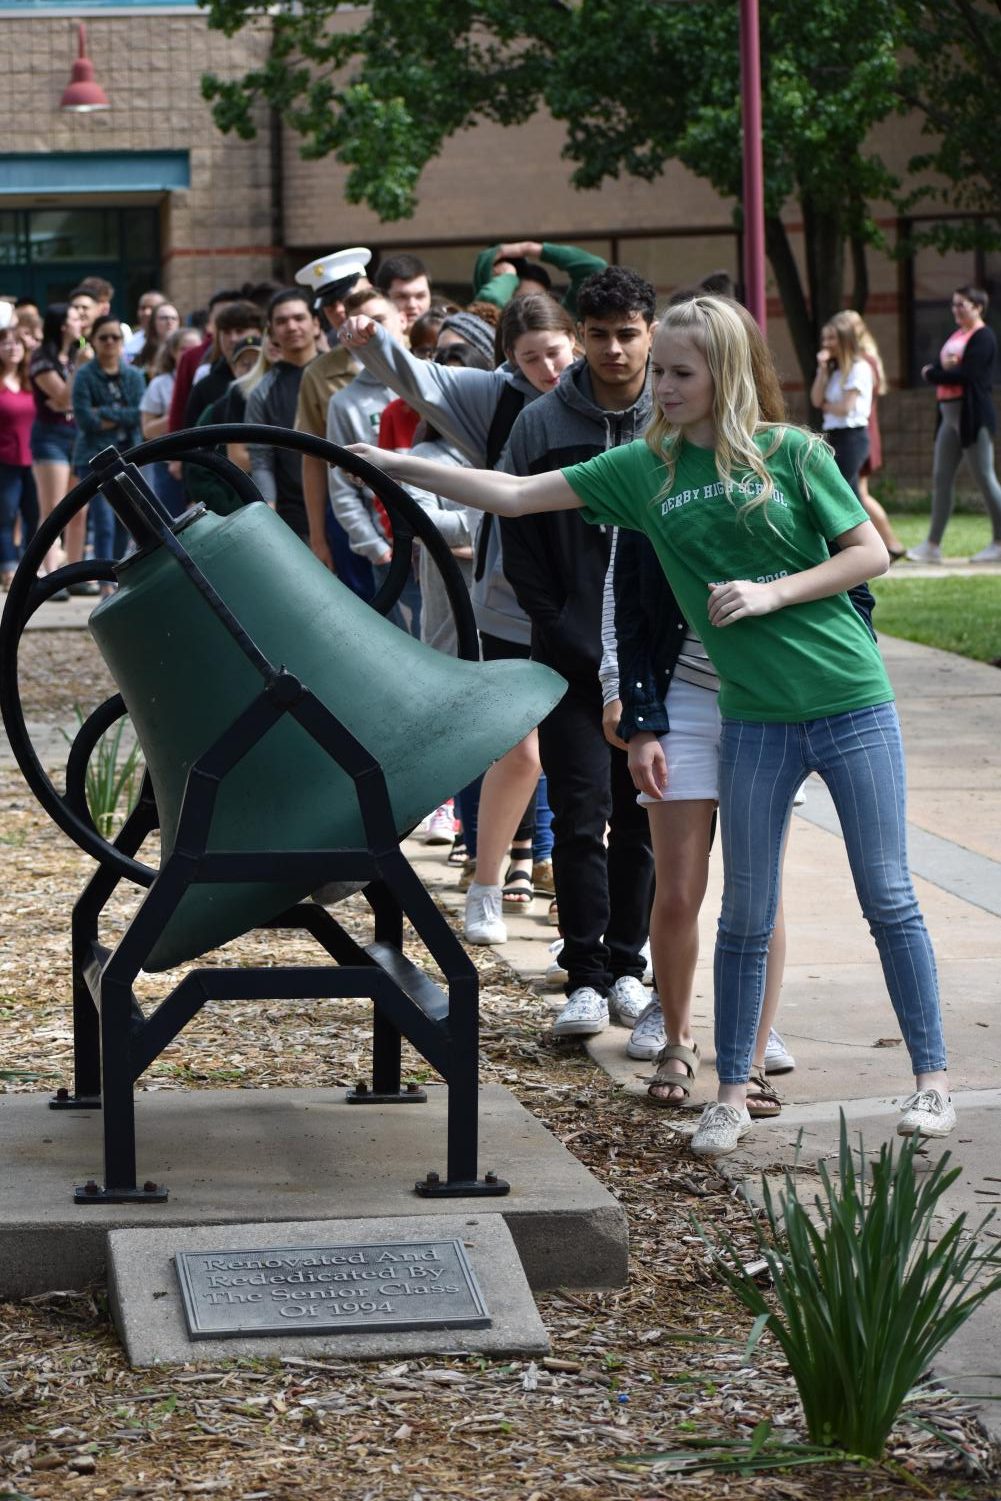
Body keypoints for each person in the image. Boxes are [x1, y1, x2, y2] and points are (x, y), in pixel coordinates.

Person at [346, 293, 954, 1158]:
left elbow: (868, 552)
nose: (658, 386)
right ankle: (730, 1095)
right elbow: (515, 496)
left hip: (849, 701)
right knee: (739, 911)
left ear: (725, 373)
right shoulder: (645, 469)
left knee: (886, 896)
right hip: (751, 720)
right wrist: (394, 464)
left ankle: (930, 1081)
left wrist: (771, 592)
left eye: (678, 372)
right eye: (657, 370)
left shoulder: (793, 453)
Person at [339, 291, 579, 942]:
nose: (545, 370)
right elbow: (425, 380)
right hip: (508, 598)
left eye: (554, 353)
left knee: (585, 758)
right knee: (520, 749)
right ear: (509, 359)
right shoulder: (494, 398)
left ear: (574, 341)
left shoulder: (605, 396)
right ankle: (486, 882)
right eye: (529, 358)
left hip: (589, 601)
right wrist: (372, 340)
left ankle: (580, 913)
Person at [489, 265, 657, 1035]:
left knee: (642, 818)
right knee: (580, 813)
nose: (614, 350)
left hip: (656, 660)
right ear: (580, 336)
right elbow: (517, 540)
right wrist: (555, 623)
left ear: (649, 331)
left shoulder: (674, 414)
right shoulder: (540, 424)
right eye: (599, 336)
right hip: (568, 655)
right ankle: (584, 974)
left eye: (627, 334)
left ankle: (631, 963)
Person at [293, 247, 372, 595]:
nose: (340, 310)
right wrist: (318, 536)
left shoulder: (409, 355)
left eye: (348, 297)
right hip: (348, 508)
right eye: (330, 304)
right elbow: (311, 458)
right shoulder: (319, 373)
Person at [908, 284, 1001, 565]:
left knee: (985, 477)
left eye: (963, 304)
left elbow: (968, 374)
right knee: (941, 478)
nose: (956, 309)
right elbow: (946, 368)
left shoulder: (983, 336)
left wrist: (936, 373)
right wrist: (942, 371)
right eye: (954, 304)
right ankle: (932, 545)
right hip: (949, 418)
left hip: (972, 416)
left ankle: (999, 541)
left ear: (978, 307)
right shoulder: (957, 336)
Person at [71, 313, 145, 591]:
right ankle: (104, 583)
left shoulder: (135, 375)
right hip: (94, 457)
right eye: (104, 337)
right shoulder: (85, 376)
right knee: (102, 521)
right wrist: (117, 416)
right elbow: (85, 421)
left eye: (116, 337)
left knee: (128, 521)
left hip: (130, 454)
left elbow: (139, 414)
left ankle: (119, 575)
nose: (111, 342)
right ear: (94, 341)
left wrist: (102, 412)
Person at [245, 288, 320, 539]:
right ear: (272, 331)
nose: (291, 326)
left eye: (299, 318)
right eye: (281, 321)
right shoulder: (262, 392)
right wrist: (269, 514)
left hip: (350, 506)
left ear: (316, 323)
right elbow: (261, 459)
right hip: (294, 517)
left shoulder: (339, 377)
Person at [28, 302, 88, 590]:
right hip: (51, 437)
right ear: (63, 325)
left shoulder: (78, 354)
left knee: (79, 509)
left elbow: (72, 399)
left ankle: (76, 576)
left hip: (78, 436)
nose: (81, 323)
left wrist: (68, 396)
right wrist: (79, 372)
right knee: (52, 508)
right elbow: (64, 399)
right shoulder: (42, 358)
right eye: (76, 318)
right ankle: (50, 576)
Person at [841, 310, 904, 560]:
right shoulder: (865, 359)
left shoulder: (862, 362)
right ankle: (890, 544)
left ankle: (888, 543)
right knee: (861, 493)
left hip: (861, 430)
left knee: (859, 494)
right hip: (865, 429)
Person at [139, 327, 205, 515]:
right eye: (184, 349)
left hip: (203, 462)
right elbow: (147, 430)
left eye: (196, 349)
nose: (191, 354)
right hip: (169, 465)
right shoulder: (160, 384)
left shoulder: (206, 378)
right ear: (173, 352)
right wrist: (175, 416)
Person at [810, 312, 873, 501]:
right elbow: (815, 400)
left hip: (852, 437)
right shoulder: (831, 370)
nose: (826, 343)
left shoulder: (858, 368)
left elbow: (845, 408)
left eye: (832, 338)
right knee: (851, 495)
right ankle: (863, 530)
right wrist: (821, 371)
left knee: (837, 490)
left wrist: (825, 405)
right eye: (824, 338)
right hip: (832, 435)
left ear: (844, 340)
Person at [472, 239, 607, 316]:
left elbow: (595, 268)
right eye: (521, 301)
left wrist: (528, 248)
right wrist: (508, 276)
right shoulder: (487, 333)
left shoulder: (561, 326)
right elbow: (489, 302)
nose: (532, 310)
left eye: (540, 299)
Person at [0, 325, 38, 588]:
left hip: (34, 459)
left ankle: (28, 567)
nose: (12, 347)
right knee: (5, 515)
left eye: (17, 343)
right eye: (5, 343)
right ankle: (8, 567)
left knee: (33, 516)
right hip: (5, 459)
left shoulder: (32, 381)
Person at [373, 253, 431, 332]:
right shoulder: (366, 340)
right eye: (402, 297)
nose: (412, 305)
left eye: (420, 296)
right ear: (381, 298)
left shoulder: (447, 340)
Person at [133, 302, 181, 381]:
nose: (169, 322)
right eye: (164, 318)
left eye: (174, 318)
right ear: (153, 322)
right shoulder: (143, 353)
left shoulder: (186, 349)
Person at [123, 290, 167, 363]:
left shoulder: (172, 343)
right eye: (143, 308)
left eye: (152, 308)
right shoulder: (130, 342)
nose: (146, 313)